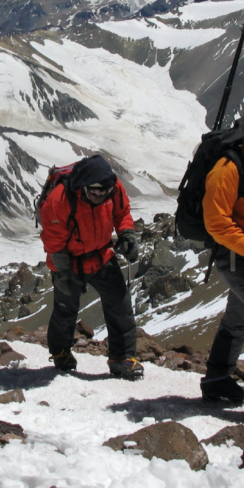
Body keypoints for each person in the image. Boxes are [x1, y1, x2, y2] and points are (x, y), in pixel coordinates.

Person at [40, 154, 143, 379]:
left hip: (102, 255)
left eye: (104, 191)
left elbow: (122, 213)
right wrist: (63, 272)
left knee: (120, 303)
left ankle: (123, 359)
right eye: (95, 191)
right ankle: (60, 353)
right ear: (84, 185)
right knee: (66, 310)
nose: (100, 195)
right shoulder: (59, 200)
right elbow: (53, 241)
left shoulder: (113, 187)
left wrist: (126, 234)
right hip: (69, 261)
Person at [201, 93, 244, 406]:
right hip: (235, 255)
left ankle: (216, 382)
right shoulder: (229, 167)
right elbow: (216, 222)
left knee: (238, 319)